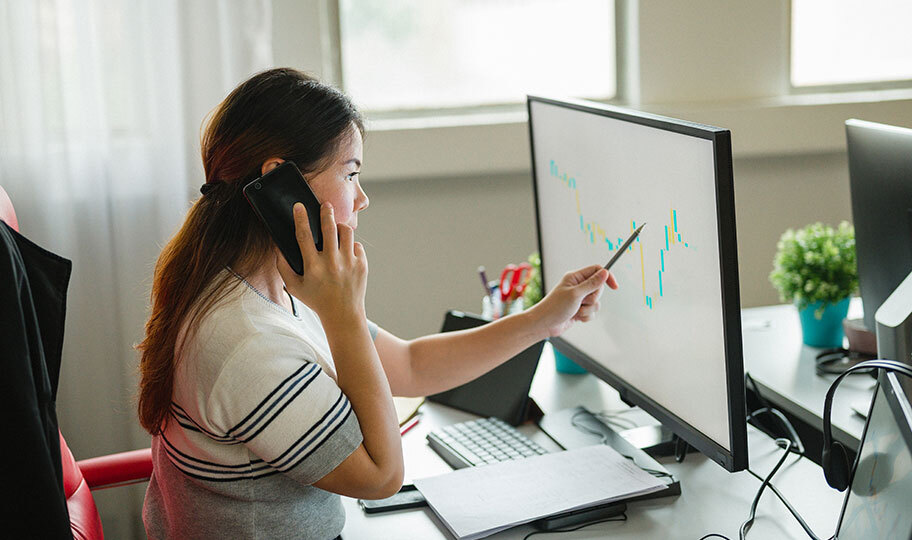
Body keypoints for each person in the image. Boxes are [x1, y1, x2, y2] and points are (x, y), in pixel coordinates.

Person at [137, 67, 618, 539]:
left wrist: (542, 320)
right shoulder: (246, 343)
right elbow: (382, 477)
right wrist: (342, 315)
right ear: (281, 182)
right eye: (350, 174)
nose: (362, 198)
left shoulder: (268, 287)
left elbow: (410, 365)